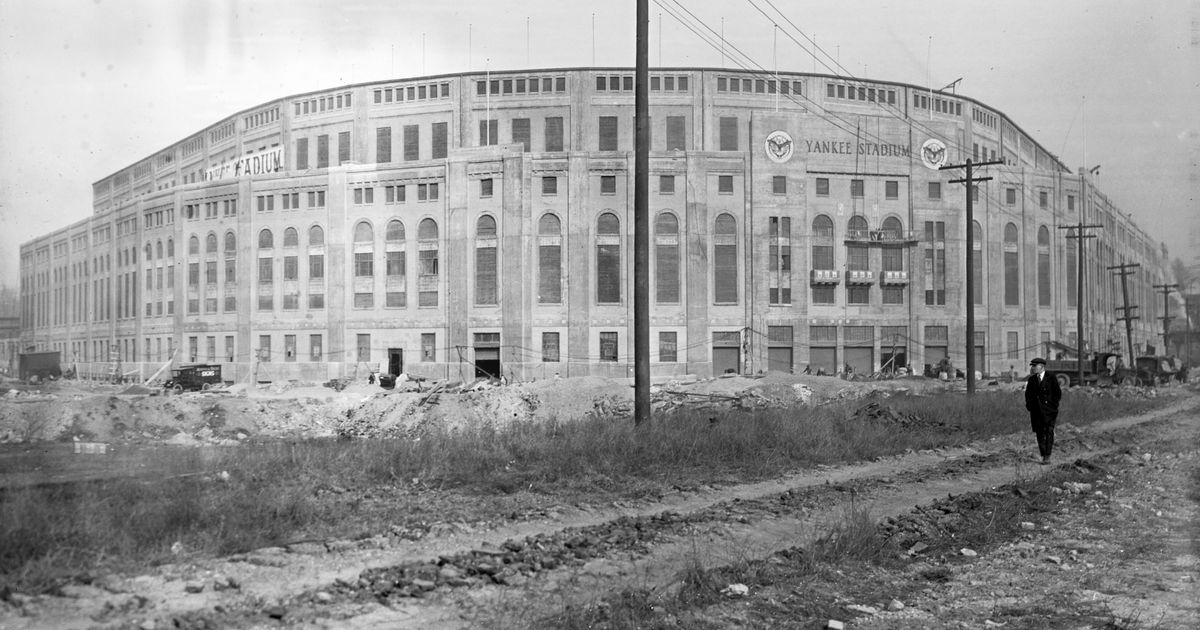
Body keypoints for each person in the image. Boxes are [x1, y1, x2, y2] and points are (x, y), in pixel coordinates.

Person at [1024, 357, 1062, 464]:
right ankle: (1043, 454)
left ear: (1042, 366)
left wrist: (1053, 406)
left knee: (1049, 431)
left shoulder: (1051, 377)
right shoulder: (1032, 380)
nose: (1033, 368)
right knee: (1039, 433)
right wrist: (1029, 406)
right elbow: (1028, 395)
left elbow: (1057, 393)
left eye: (1035, 366)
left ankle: (1047, 455)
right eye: (1032, 366)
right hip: (1036, 411)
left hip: (1049, 411)